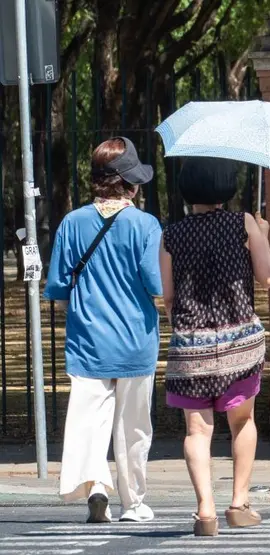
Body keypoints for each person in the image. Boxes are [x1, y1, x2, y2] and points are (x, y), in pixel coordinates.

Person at [44, 137, 161, 524]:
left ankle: (96, 486)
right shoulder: (145, 225)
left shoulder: (72, 223)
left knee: (90, 422)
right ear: (129, 182)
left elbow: (59, 287)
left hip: (87, 341)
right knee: (133, 427)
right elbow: (155, 283)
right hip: (134, 340)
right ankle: (134, 502)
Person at [160, 157, 270, 536]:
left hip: (190, 348)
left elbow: (168, 297)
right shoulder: (242, 222)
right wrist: (263, 234)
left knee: (197, 432)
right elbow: (268, 277)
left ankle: (205, 510)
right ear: (226, 187)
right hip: (239, 344)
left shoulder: (171, 235)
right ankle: (239, 503)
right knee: (242, 421)